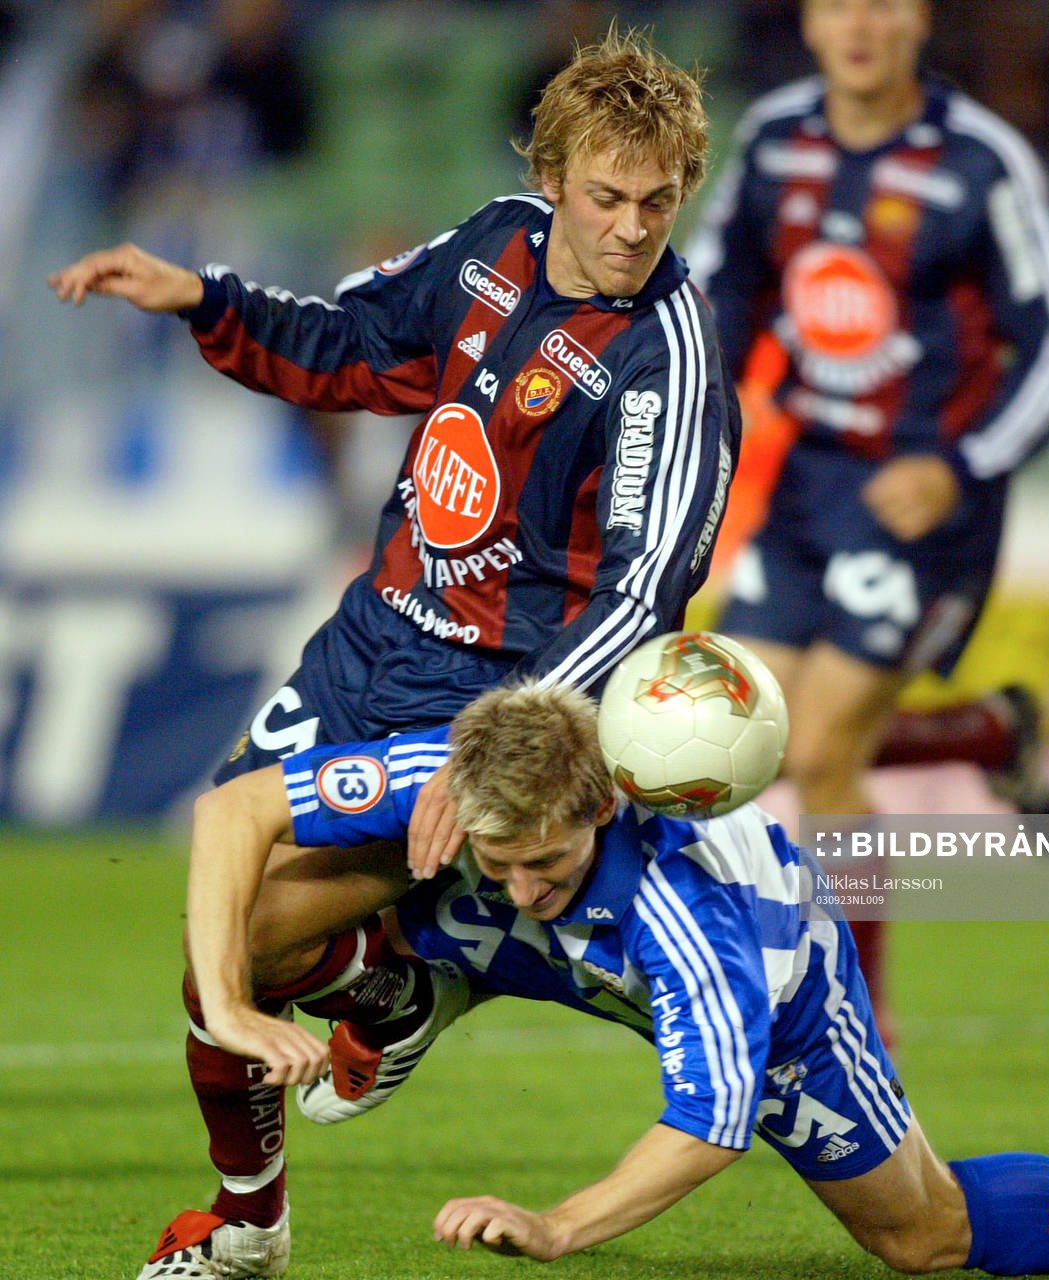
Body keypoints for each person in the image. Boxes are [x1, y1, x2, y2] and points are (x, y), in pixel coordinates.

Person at [49, 27, 740, 1278]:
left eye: (658, 201)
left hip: (485, 697)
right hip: (363, 644)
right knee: (215, 925)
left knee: (251, 936)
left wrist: (493, 750)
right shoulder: (491, 246)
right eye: (605, 196)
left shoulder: (666, 362)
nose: (633, 228)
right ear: (552, 176)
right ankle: (366, 1028)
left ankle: (272, 1187)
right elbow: (354, 346)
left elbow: (648, 595)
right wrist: (205, 298)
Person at [159, 681, 1049, 1279]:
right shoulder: (456, 780)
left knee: (920, 1234)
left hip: (780, 983)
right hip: (501, 942)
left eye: (544, 860)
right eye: (495, 857)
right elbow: (233, 807)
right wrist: (229, 1005)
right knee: (267, 916)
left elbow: (704, 1126)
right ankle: (397, 987)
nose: (516, 881)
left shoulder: (696, 922)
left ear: (602, 804)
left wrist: (556, 1225)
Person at [685, 0, 1049, 1021]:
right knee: (750, 737)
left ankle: (862, 1021)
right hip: (808, 486)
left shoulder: (981, 159)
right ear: (810, 23)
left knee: (821, 753)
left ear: (919, 19)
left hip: (920, 500)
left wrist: (961, 465)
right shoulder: (776, 139)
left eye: (884, 1)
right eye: (838, 3)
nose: (860, 22)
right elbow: (719, 287)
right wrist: (703, 396)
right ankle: (984, 731)